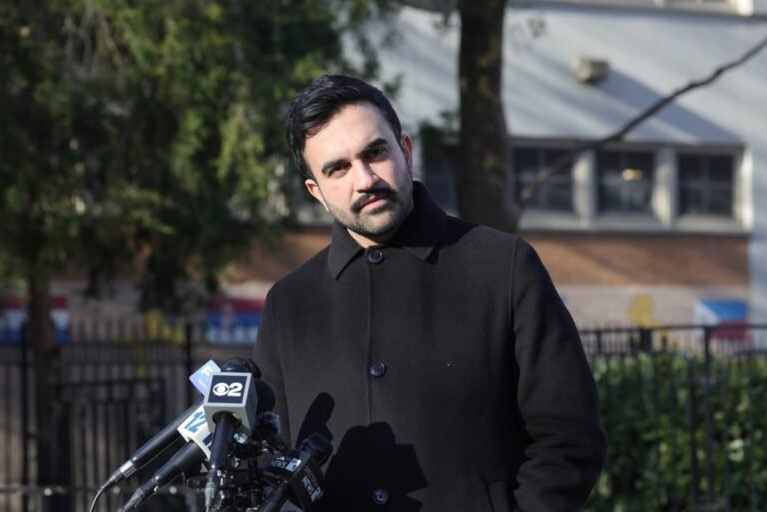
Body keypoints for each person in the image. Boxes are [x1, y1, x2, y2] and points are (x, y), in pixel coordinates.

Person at [253, 74, 607, 511]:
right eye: (337, 168)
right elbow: (271, 464)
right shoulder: (288, 304)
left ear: (405, 150)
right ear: (317, 192)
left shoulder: (505, 266)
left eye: (375, 153)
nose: (364, 179)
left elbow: (569, 439)